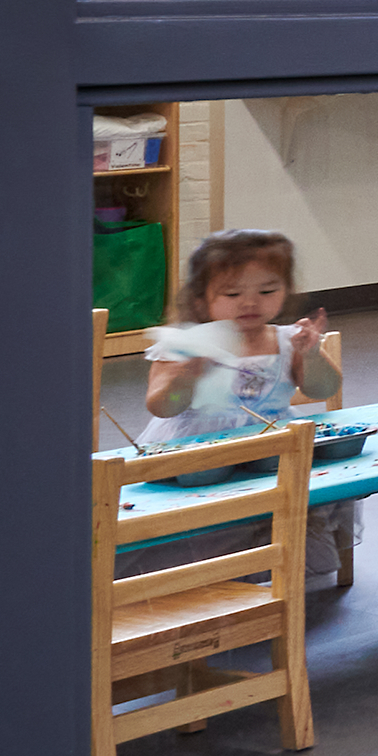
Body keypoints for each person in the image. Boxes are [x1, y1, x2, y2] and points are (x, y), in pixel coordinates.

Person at [140, 227, 355, 591]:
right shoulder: (186, 344)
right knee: (203, 482)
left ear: (285, 291)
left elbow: (324, 389)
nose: (250, 302)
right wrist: (185, 375)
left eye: (267, 291)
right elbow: (161, 406)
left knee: (286, 476)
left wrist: (311, 354)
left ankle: (273, 562)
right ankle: (208, 574)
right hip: (198, 443)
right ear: (201, 298)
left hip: (269, 441)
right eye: (232, 293)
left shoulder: (286, 340)